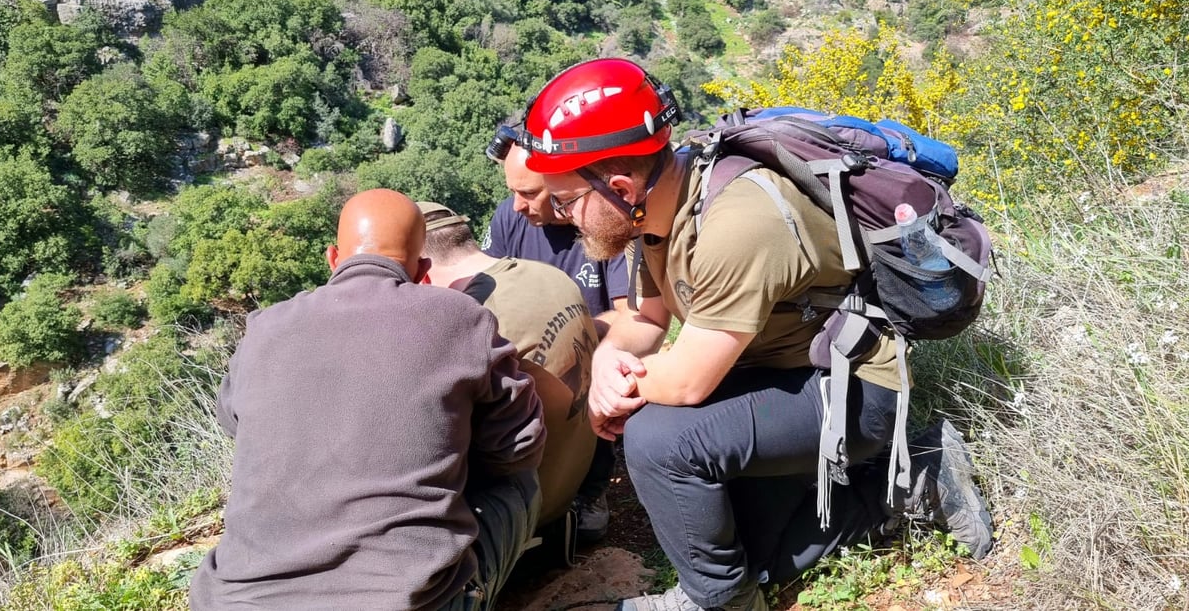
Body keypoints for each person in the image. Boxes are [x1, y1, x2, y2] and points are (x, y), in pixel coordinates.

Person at [518, 58, 993, 611]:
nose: (560, 217)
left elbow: (690, 382)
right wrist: (608, 361)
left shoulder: (739, 220)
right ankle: (913, 480)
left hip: (855, 389)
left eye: (566, 201)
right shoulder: (656, 214)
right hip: (780, 380)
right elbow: (646, 320)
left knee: (657, 438)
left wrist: (620, 390)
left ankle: (718, 603)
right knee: (751, 552)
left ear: (620, 185)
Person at [190, 189, 546, 611]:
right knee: (519, 484)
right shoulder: (460, 316)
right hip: (403, 601)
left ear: (332, 258)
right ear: (424, 272)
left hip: (234, 601)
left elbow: (235, 425)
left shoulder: (263, 328)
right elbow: (519, 449)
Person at [482, 138, 630, 542]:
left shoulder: (604, 219)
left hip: (586, 355)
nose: (517, 205)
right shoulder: (511, 218)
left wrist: (572, 332)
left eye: (530, 193)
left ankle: (589, 489)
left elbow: (628, 316)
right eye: (513, 190)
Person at [419, 200, 597, 535]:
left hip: (519, 529)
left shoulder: (473, 324)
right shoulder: (550, 276)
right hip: (568, 494)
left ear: (422, 274)